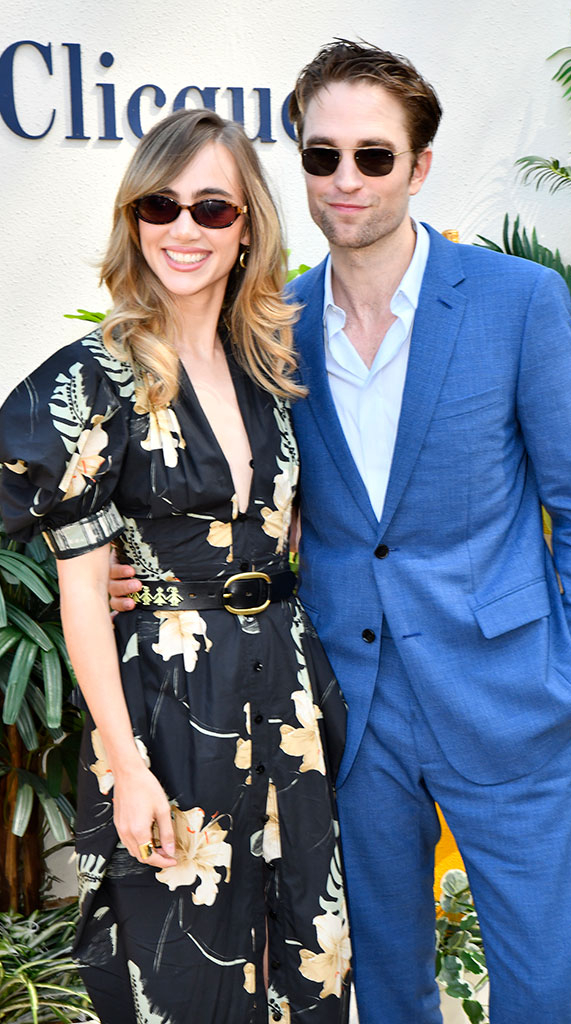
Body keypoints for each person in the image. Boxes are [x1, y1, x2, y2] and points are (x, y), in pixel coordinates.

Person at [107, 41, 571, 1024]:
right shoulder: (271, 327)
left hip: (509, 699)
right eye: (320, 155)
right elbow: (234, 508)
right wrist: (142, 576)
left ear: (419, 166)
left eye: (372, 156)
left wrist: (570, 676)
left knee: (535, 996)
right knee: (386, 990)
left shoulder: (517, 303)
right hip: (351, 713)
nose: (344, 180)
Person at [0, 108, 352, 1024]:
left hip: (288, 699)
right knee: (181, 974)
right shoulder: (90, 381)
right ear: (134, 221)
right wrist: (128, 767)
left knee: (301, 964)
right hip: (165, 710)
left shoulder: (272, 365)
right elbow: (82, 597)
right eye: (161, 206)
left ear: (248, 227)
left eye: (212, 209)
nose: (184, 229)